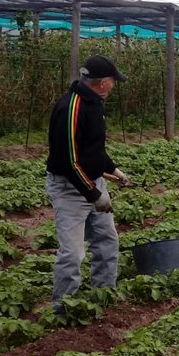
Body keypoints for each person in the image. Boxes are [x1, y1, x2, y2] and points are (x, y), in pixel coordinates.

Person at [45, 54, 130, 311]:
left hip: (92, 183)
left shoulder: (94, 103)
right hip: (71, 190)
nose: (114, 86)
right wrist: (94, 194)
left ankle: (103, 296)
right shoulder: (71, 108)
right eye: (113, 81)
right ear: (103, 82)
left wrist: (113, 169)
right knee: (72, 253)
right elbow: (69, 160)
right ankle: (63, 310)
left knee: (106, 240)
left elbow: (93, 149)